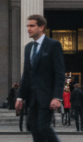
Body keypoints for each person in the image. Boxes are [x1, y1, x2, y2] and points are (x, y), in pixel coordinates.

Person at [15, 14, 65, 142]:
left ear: (41, 27)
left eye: (32, 26)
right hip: (32, 98)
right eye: (28, 26)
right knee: (34, 129)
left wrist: (57, 97)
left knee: (43, 127)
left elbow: (59, 73)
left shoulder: (53, 45)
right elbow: (26, 74)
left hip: (47, 97)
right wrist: (20, 97)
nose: (28, 29)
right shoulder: (28, 48)